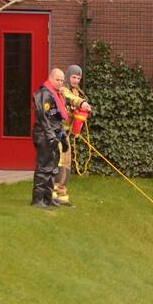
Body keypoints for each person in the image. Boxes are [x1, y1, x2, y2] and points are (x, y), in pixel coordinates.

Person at [54, 65, 93, 207]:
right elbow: (71, 99)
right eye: (73, 77)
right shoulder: (63, 89)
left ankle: (62, 196)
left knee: (66, 165)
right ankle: (51, 195)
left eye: (78, 78)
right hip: (56, 133)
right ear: (68, 76)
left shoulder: (77, 91)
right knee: (58, 164)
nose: (76, 80)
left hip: (66, 134)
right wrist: (81, 103)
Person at [31, 68, 69, 208]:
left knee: (53, 168)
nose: (59, 82)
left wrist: (63, 137)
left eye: (61, 80)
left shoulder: (56, 95)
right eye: (57, 79)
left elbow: (57, 119)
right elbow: (43, 117)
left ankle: (48, 198)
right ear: (51, 78)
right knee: (44, 167)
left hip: (53, 134)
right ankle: (37, 199)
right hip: (43, 135)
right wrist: (51, 137)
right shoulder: (44, 94)